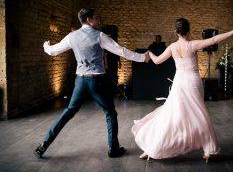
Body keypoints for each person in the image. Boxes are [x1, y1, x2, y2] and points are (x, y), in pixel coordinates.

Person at [34, 8, 150, 158]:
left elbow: (53, 51)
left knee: (68, 112)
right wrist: (142, 57)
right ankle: (113, 149)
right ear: (89, 19)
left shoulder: (72, 36)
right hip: (97, 82)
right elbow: (121, 51)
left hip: (80, 81)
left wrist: (45, 46)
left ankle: (43, 145)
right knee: (110, 113)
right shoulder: (100, 36)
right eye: (96, 18)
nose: (99, 21)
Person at [131, 18, 233, 162]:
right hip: (192, 81)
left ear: (176, 31)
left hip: (180, 82)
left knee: (172, 114)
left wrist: (149, 53)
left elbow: (157, 61)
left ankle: (153, 147)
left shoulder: (172, 47)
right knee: (199, 113)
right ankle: (208, 150)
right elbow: (213, 40)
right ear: (189, 30)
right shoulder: (192, 45)